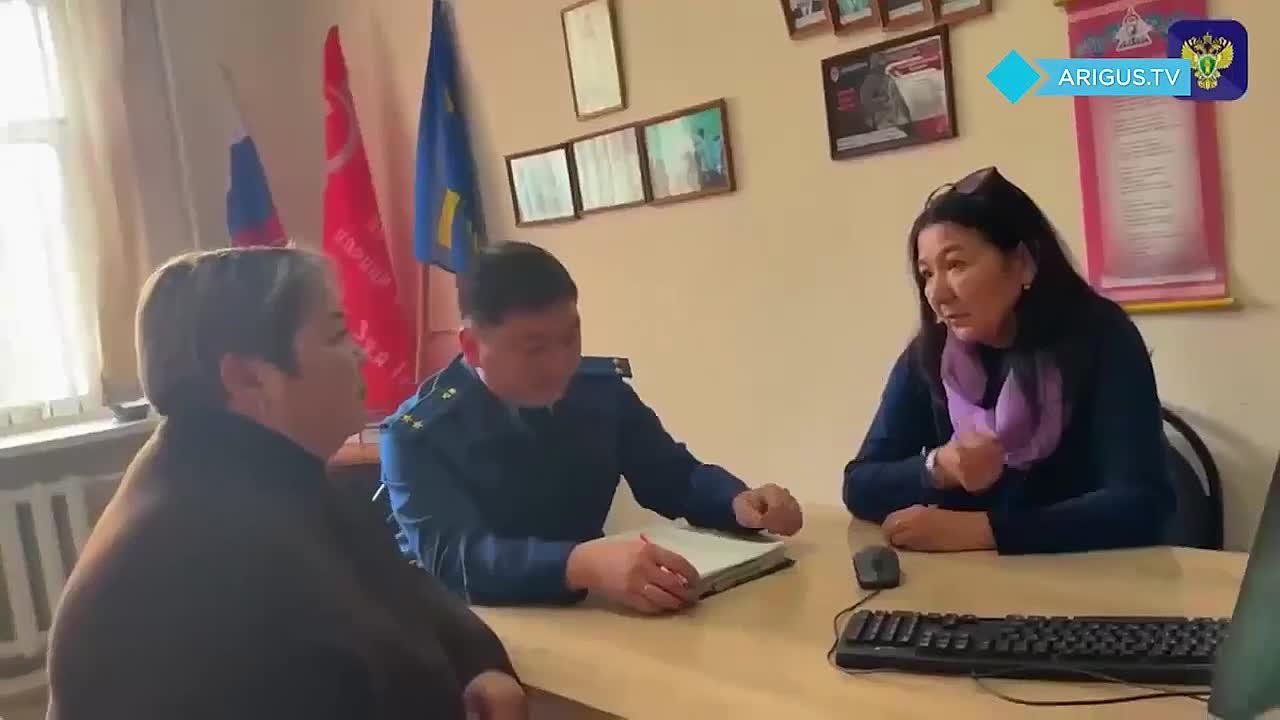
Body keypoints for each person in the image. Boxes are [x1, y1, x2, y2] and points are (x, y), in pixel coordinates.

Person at [46, 248, 525, 720]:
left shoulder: (246, 468)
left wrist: (480, 666)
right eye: (336, 336)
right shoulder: (206, 539)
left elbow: (402, 587)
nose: (360, 352)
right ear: (247, 378)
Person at [380, 241, 803, 614]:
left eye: (571, 337)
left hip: (588, 613)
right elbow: (457, 559)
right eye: (534, 348)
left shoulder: (599, 392)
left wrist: (737, 502)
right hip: (469, 633)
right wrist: (580, 565)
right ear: (472, 346)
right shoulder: (417, 435)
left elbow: (672, 476)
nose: (561, 363)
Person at [842, 167, 1173, 555]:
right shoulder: (929, 355)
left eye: (956, 265)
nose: (937, 294)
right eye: (927, 274)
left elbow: (1142, 503)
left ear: (1023, 263)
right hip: (972, 582)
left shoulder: (1101, 337)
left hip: (1091, 579)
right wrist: (938, 468)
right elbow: (859, 485)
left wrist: (986, 531)